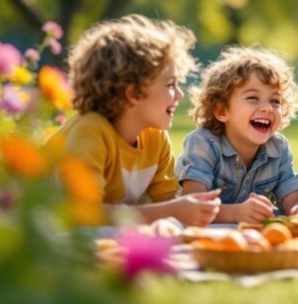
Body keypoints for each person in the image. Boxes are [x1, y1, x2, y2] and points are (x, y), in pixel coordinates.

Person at [48, 14, 220, 226]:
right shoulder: (90, 131)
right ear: (134, 94)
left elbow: (168, 201)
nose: (179, 94)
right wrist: (171, 212)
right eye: (170, 85)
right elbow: (83, 213)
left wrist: (194, 208)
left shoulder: (155, 137)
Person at [177, 47, 298, 223]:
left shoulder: (278, 148)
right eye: (252, 98)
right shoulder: (203, 144)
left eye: (275, 101)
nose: (267, 107)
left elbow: (294, 200)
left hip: (249, 241)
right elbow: (193, 206)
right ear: (221, 110)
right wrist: (236, 214)